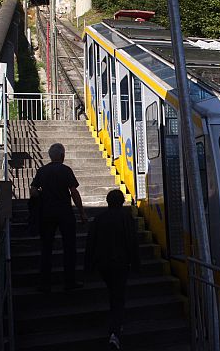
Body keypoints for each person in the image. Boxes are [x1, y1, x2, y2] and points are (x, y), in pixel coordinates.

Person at [84, 189, 140, 350]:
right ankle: (115, 332)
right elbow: (132, 242)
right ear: (122, 202)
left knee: (114, 292)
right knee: (118, 296)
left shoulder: (99, 219)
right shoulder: (126, 218)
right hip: (121, 263)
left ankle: (115, 327)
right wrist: (136, 264)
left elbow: (91, 243)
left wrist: (88, 266)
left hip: (103, 264)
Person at [30, 143, 87, 292]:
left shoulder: (42, 171)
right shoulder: (66, 170)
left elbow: (33, 191)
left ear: (50, 156)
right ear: (62, 156)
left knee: (46, 248)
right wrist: (81, 212)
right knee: (69, 247)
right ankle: (69, 281)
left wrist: (41, 194)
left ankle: (45, 283)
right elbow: (74, 192)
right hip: (65, 213)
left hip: (46, 214)